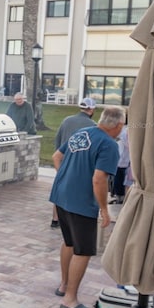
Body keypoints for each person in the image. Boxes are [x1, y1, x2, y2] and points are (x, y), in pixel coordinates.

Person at [50, 106, 125, 308]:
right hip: (81, 203)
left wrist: (67, 176)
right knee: (83, 251)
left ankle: (64, 286)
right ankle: (70, 300)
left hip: (61, 197)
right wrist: (104, 209)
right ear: (118, 125)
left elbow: (57, 156)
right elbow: (99, 179)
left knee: (69, 243)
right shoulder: (109, 144)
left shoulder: (82, 133)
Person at [49, 97, 97, 228]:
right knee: (78, 193)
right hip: (81, 166)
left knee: (59, 190)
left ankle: (55, 219)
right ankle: (73, 220)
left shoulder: (66, 120)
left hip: (63, 161)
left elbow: (57, 141)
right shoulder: (93, 126)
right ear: (91, 109)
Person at [111, 122, 129, 203]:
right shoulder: (123, 129)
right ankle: (119, 196)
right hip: (121, 158)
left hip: (125, 159)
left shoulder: (125, 129)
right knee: (119, 178)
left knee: (121, 178)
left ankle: (120, 196)